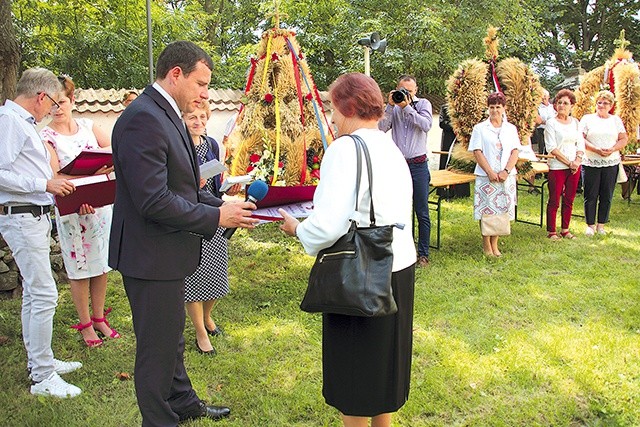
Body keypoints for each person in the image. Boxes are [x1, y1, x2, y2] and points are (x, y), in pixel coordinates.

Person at [108, 41, 259, 425]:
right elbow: (154, 201)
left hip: (165, 253)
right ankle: (160, 420)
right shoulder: (144, 117)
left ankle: (183, 401)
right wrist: (215, 219)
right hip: (149, 255)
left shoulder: (166, 112)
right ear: (176, 74)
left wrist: (223, 207)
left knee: (171, 336)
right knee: (156, 349)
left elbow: (183, 188)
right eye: (201, 83)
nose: (206, 93)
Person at [280, 73, 416, 427]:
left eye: (332, 106)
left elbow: (328, 225)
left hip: (362, 269)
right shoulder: (390, 146)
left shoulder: (345, 148)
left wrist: (298, 228)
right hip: (398, 266)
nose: (331, 116)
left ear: (349, 106)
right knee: (382, 370)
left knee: (356, 379)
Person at [0, 68, 82, 398]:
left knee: (36, 294)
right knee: (44, 293)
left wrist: (50, 189)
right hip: (20, 217)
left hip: (33, 215)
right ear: (40, 97)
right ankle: (42, 377)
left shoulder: (22, 123)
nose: (51, 110)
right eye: (50, 103)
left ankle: (42, 362)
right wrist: (43, 184)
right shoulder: (10, 121)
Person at [40, 74, 119, 348]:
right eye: (51, 104)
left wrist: (102, 167)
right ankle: (85, 323)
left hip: (98, 208)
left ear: (72, 100)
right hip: (73, 210)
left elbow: (114, 153)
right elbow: (54, 175)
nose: (57, 108)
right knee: (80, 268)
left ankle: (99, 317)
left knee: (101, 265)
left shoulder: (88, 126)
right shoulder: (46, 136)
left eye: (61, 101)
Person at [183, 101, 241, 355]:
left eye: (202, 117)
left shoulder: (212, 145)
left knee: (216, 273)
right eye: (192, 117)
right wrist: (192, 182)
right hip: (190, 215)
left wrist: (230, 186)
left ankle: (207, 317)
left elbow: (216, 184)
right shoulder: (178, 146)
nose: (198, 122)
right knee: (194, 277)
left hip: (216, 213)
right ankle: (200, 331)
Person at [378, 75, 432, 267]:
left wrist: (407, 107)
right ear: (396, 88)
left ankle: (423, 254)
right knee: (397, 210)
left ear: (415, 90)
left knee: (421, 211)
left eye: (409, 90)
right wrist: (391, 106)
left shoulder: (423, 104)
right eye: (403, 90)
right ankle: (400, 251)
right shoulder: (394, 106)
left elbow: (426, 125)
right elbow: (380, 128)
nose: (406, 94)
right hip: (398, 165)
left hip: (418, 165)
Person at [468, 92, 520, 257]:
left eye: (498, 107)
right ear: (487, 108)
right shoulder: (480, 128)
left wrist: (506, 171)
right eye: (492, 107)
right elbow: (477, 151)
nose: (495, 110)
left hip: (506, 177)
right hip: (486, 176)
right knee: (487, 209)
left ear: (504, 108)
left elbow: (515, 151)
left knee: (500, 209)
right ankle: (486, 246)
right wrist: (490, 172)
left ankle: (495, 244)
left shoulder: (510, 129)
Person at [578, 90, 628, 236]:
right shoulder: (587, 119)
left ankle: (601, 224)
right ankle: (590, 225)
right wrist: (595, 149)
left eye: (605, 103)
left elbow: (623, 139)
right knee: (590, 193)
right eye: (599, 102)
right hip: (591, 161)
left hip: (611, 162)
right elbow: (580, 138)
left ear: (611, 105)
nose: (601, 105)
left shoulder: (615, 120)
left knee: (607, 194)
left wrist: (613, 149)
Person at [544, 89, 585, 240]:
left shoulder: (576, 122)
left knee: (569, 199)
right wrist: (569, 162)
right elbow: (551, 147)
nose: (562, 105)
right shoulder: (551, 123)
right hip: (558, 166)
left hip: (574, 166)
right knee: (554, 199)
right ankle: (552, 231)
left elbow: (580, 143)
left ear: (571, 106)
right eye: (559, 102)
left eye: (565, 103)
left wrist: (577, 161)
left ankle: (565, 229)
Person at [437, 103, 470, 198]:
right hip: (449, 139)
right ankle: (444, 190)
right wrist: (455, 127)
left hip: (461, 139)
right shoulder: (445, 107)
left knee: (461, 161)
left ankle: (461, 192)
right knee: (446, 162)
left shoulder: (465, 107)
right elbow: (442, 123)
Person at [532, 89, 556, 154]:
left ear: (549, 97)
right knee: (542, 145)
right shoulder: (538, 107)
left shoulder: (552, 107)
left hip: (552, 128)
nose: (544, 97)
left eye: (546, 96)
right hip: (541, 128)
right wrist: (545, 122)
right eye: (543, 96)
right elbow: (538, 119)